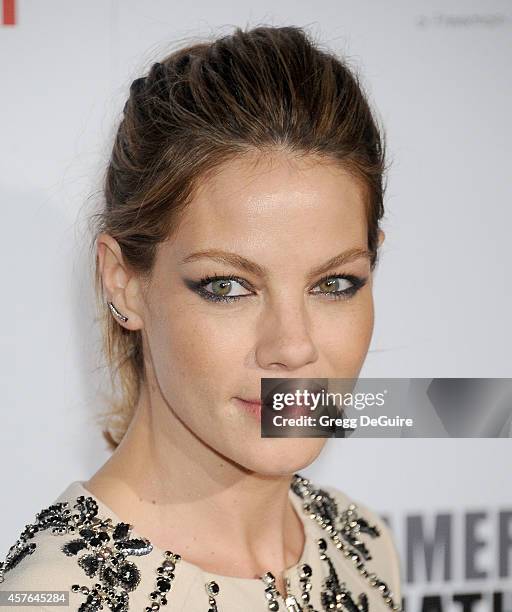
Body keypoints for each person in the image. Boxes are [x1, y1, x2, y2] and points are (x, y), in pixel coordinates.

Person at [0, 24, 403, 611]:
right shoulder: (57, 598)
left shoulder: (363, 547)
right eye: (228, 286)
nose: (292, 347)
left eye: (334, 284)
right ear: (125, 281)